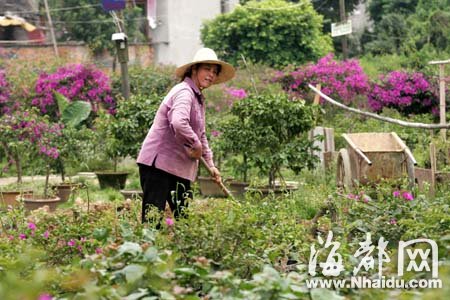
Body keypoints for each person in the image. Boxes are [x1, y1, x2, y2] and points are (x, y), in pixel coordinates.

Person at [136, 48, 236, 223]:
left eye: (214, 71)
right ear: (194, 70)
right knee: (153, 220)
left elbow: (201, 134)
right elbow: (178, 122)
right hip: (158, 165)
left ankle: (183, 249)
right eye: (207, 69)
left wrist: (211, 165)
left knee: (183, 218)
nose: (211, 75)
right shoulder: (184, 92)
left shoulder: (197, 98)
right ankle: (145, 249)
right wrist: (195, 146)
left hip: (178, 167)